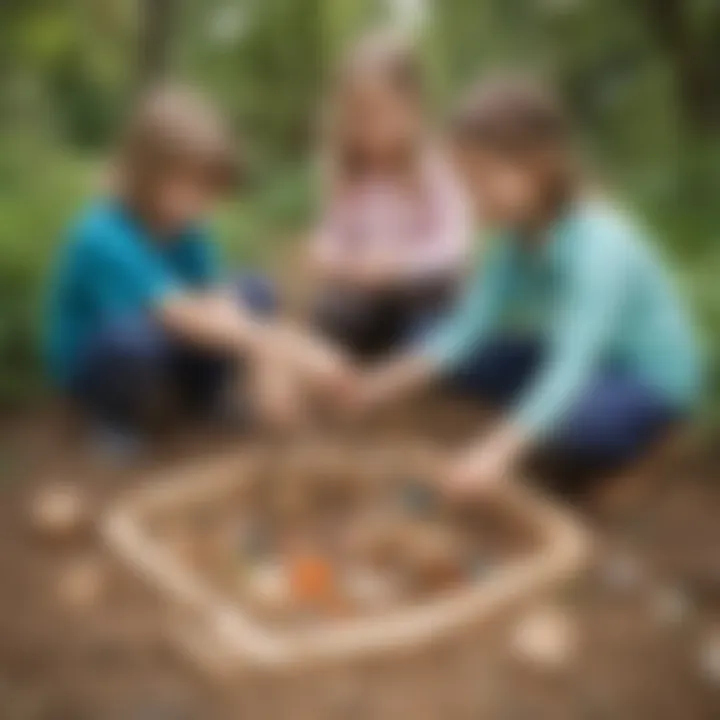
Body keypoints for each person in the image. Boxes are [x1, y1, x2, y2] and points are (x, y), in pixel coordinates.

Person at [343, 75, 701, 495]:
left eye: (483, 178)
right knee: (429, 336)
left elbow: (574, 359)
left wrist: (497, 450)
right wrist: (375, 385)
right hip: (577, 359)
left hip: (643, 378)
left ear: (538, 165)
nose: (472, 196)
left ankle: (640, 443)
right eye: (465, 181)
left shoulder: (600, 244)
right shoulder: (512, 242)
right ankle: (537, 419)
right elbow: (463, 331)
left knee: (578, 420)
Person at [44, 85, 337, 453]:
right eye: (190, 185)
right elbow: (177, 312)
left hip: (167, 336)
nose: (201, 202)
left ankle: (204, 398)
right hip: (103, 358)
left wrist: (263, 339)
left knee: (251, 292)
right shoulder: (102, 234)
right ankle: (113, 417)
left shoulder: (187, 229)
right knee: (133, 341)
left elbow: (213, 298)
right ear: (147, 174)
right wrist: (282, 345)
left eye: (207, 188)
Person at [311, 33, 471, 360]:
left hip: (422, 288)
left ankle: (420, 342)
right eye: (358, 117)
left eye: (381, 114)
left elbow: (455, 245)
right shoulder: (349, 177)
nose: (369, 129)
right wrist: (331, 257)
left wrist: (400, 266)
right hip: (368, 294)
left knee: (434, 312)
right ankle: (377, 341)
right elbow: (333, 234)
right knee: (329, 311)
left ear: (411, 109)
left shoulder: (434, 169)